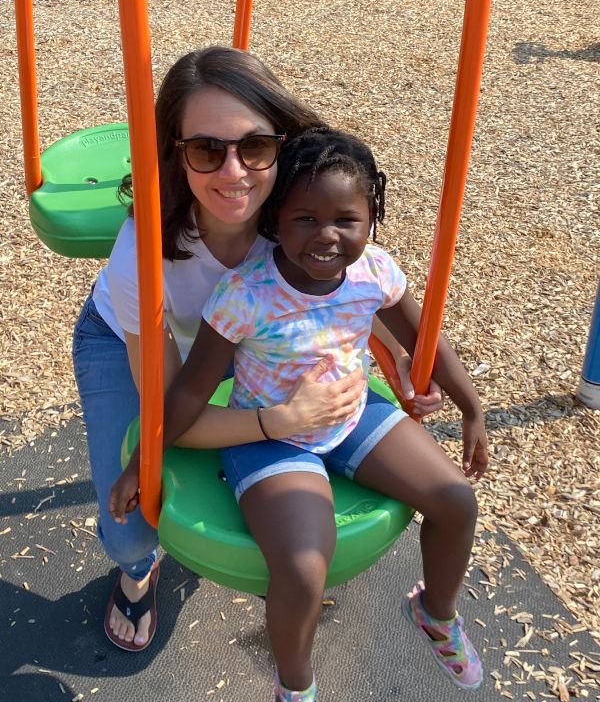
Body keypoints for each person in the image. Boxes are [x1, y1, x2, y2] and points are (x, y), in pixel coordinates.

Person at [72, 47, 442, 653]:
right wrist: (280, 421)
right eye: (206, 150)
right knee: (133, 524)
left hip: (236, 340)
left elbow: (332, 296)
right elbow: (172, 415)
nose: (234, 172)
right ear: (176, 154)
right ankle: (138, 574)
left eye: (255, 147)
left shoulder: (295, 212)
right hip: (131, 338)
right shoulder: (142, 254)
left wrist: (387, 354)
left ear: (280, 145)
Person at [110, 125, 489, 698]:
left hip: (349, 415)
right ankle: (297, 685)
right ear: (276, 221)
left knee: (457, 500)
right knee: (304, 564)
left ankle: (435, 614)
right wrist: (142, 462)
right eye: (305, 219)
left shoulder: (375, 272)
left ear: (371, 219)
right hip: (268, 435)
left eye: (346, 220)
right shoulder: (246, 294)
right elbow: (187, 392)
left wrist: (472, 407)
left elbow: (428, 343)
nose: (326, 236)